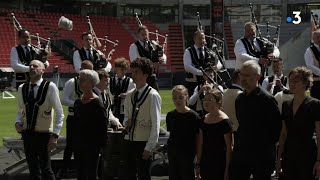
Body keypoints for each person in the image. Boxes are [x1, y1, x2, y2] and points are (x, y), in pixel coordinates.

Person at [229, 60, 282, 180]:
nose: (243, 78)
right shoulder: (240, 99)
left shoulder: (267, 100)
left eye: (247, 75)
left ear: (257, 77)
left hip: (262, 155)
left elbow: (276, 129)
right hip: (242, 153)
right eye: (241, 75)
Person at [15, 60, 64, 180]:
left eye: (35, 66)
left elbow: (59, 112)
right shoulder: (22, 87)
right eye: (30, 65)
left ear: (43, 70)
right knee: (33, 169)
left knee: (46, 169)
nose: (31, 68)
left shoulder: (50, 87)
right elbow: (20, 109)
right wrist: (17, 122)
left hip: (44, 135)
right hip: (27, 134)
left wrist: (55, 135)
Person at [276, 66, 320, 180]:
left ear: (306, 83)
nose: (291, 83)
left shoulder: (315, 104)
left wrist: (319, 161)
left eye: (296, 81)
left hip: (307, 154)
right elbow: (283, 133)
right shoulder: (286, 104)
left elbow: (319, 136)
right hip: (289, 154)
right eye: (290, 81)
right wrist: (279, 157)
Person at [123, 57, 161, 180]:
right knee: (128, 175)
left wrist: (149, 147)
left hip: (143, 142)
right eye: (132, 71)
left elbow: (156, 124)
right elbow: (126, 117)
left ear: (145, 74)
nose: (132, 74)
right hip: (129, 141)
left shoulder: (153, 95)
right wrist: (126, 122)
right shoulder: (129, 94)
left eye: (136, 72)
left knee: (144, 175)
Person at [73, 69, 109, 180]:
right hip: (79, 145)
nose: (79, 82)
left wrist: (101, 146)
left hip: (92, 146)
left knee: (91, 174)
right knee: (80, 174)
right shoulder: (78, 102)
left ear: (91, 83)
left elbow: (103, 126)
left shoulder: (97, 103)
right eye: (80, 79)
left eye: (82, 80)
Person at [61, 60, 94, 171]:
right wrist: (77, 103)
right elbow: (63, 100)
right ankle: (64, 168)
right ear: (80, 70)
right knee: (70, 145)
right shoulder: (71, 82)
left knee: (86, 145)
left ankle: (82, 168)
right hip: (74, 118)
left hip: (88, 119)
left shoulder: (94, 83)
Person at [195, 89, 233, 180]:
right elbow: (200, 143)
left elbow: (229, 147)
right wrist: (198, 163)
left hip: (220, 164)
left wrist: (227, 169)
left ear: (218, 102)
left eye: (210, 100)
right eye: (204, 99)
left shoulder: (225, 122)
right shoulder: (203, 120)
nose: (206, 102)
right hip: (206, 163)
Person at [166, 85, 201, 180]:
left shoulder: (193, 116)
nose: (177, 100)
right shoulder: (170, 115)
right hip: (173, 153)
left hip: (187, 154)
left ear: (187, 97)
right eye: (175, 98)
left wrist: (198, 158)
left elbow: (199, 138)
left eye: (180, 97)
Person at [183, 30, 222, 96]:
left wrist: (216, 67)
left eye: (203, 38)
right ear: (194, 39)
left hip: (208, 84)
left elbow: (219, 63)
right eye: (199, 38)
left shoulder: (210, 51)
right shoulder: (188, 51)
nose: (202, 40)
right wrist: (201, 73)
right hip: (193, 84)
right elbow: (187, 66)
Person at [129, 25, 167, 91]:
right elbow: (135, 64)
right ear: (138, 35)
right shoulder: (134, 46)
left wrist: (162, 59)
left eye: (146, 34)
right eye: (142, 34)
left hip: (153, 77)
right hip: (141, 78)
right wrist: (152, 65)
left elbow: (162, 53)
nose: (145, 36)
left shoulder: (153, 43)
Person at [110, 57, 135, 123]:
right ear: (116, 69)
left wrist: (127, 95)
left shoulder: (131, 82)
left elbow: (135, 95)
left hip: (124, 112)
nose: (124, 71)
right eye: (122, 69)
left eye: (125, 69)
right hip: (111, 111)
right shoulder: (109, 81)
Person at [304, 29, 320, 100]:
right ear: (313, 38)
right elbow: (309, 65)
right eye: (318, 37)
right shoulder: (309, 50)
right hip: (316, 82)